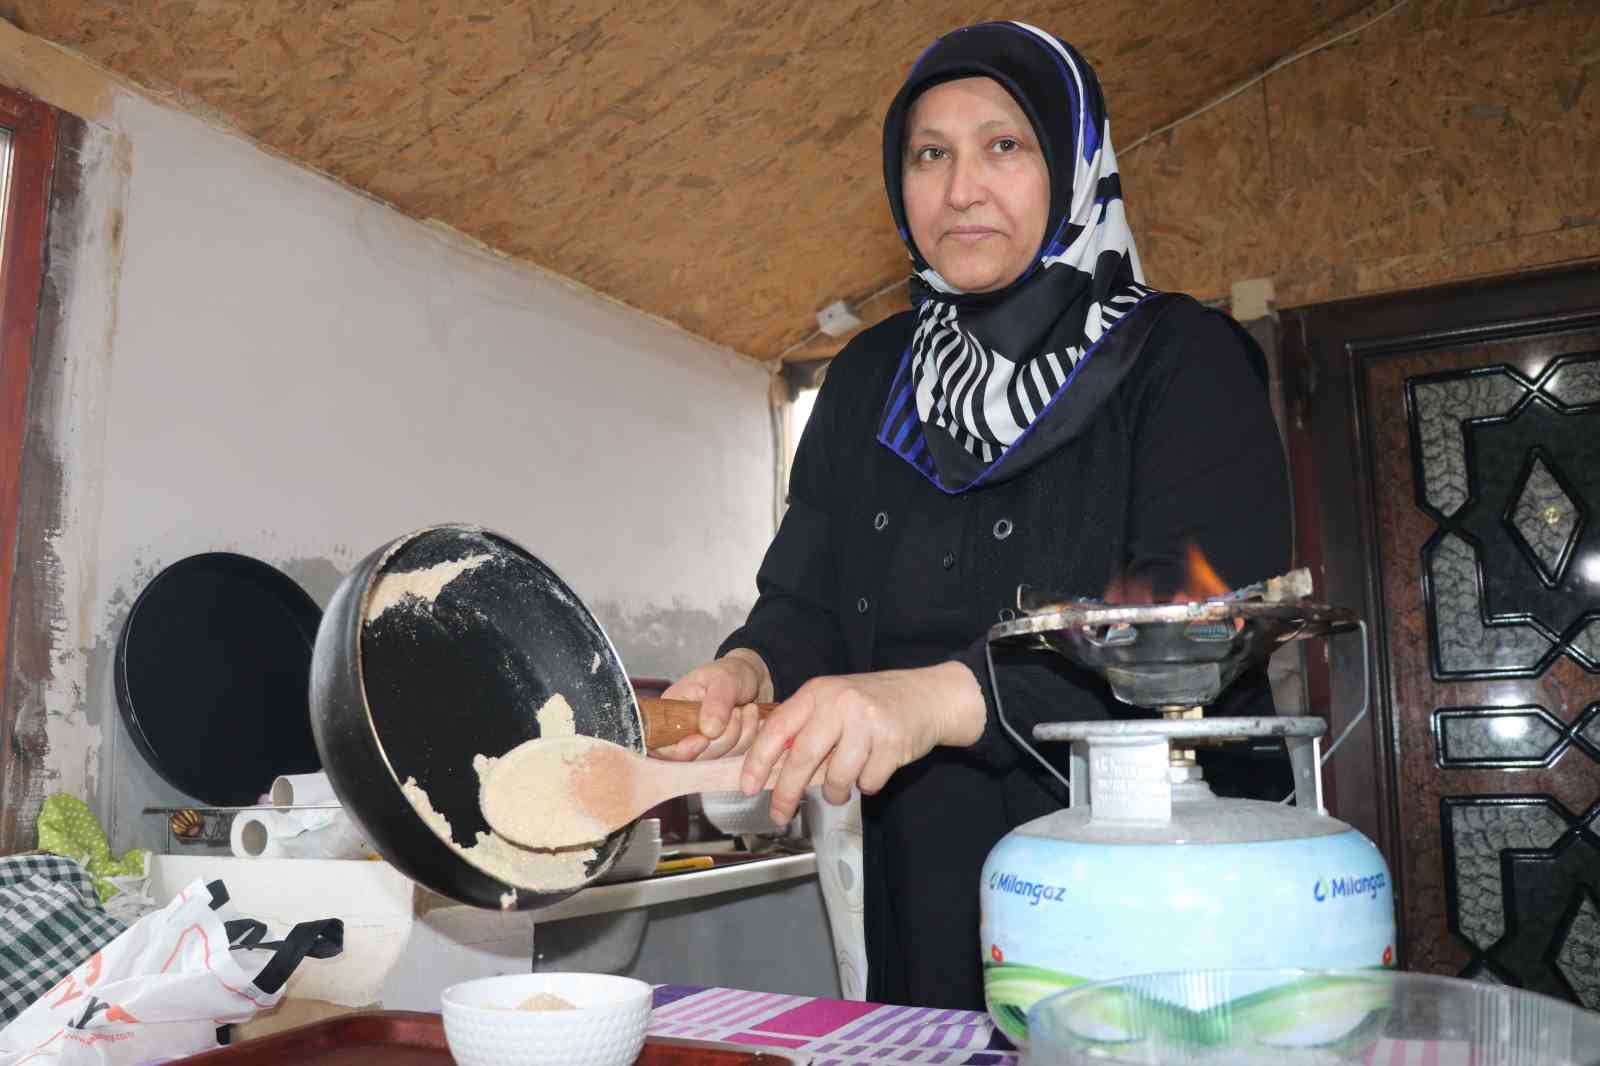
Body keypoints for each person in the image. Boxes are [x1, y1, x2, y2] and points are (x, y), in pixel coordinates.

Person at [657, 20, 1292, 1010]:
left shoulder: (1179, 358)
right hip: (923, 873)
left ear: (1074, 164)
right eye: (929, 154)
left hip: (1155, 873)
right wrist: (750, 668)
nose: (960, 189)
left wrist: (933, 697)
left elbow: (1193, 622)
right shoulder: (870, 378)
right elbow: (807, 595)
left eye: (1004, 145)